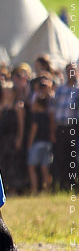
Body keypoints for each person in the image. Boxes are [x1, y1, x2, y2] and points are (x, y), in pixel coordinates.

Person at [52, 61, 77, 190]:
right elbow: (53, 109)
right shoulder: (61, 89)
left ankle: (74, 184)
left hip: (74, 127)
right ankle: (63, 184)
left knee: (74, 156)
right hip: (61, 127)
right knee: (61, 156)